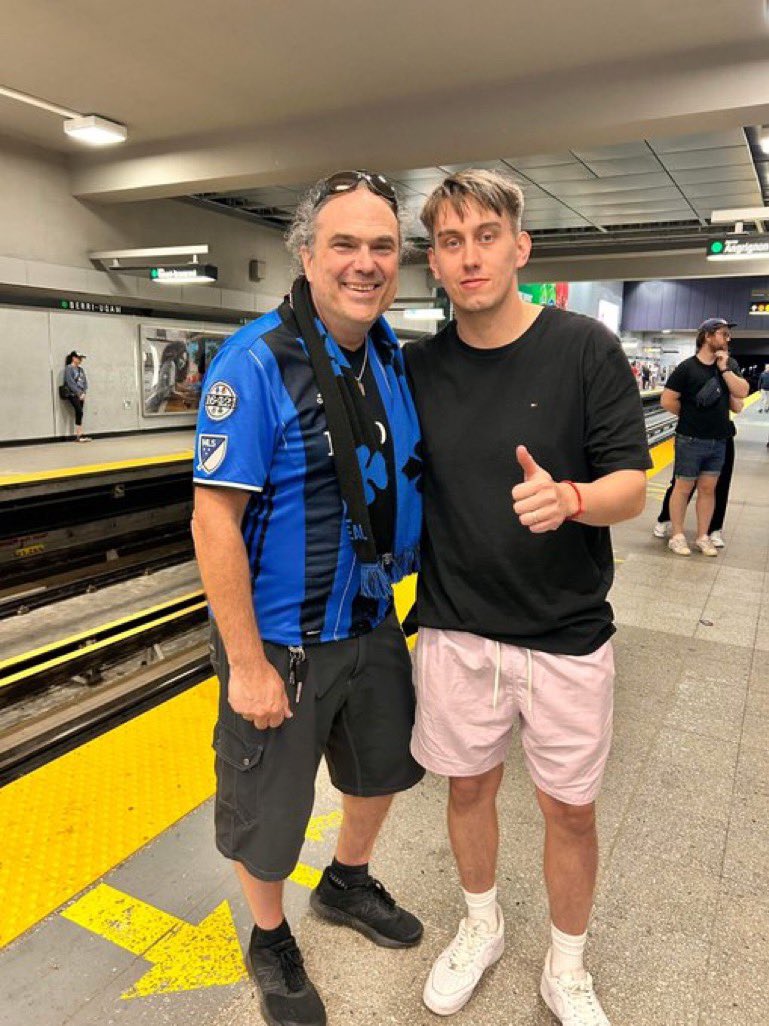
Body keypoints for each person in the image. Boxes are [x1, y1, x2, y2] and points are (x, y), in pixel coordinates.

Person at [404, 169, 650, 1025]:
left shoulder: (583, 348)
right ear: (432, 263)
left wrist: (571, 499)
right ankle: (481, 927)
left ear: (519, 246)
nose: (468, 256)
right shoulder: (416, 367)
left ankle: (567, 966)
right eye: (448, 241)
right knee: (466, 789)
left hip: (565, 631)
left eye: (483, 236)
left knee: (568, 808)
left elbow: (631, 484)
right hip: (456, 627)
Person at [191, 170, 424, 1026]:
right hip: (281, 643)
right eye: (345, 245)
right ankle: (267, 936)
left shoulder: (391, 355)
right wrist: (244, 664)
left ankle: (346, 884)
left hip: (370, 623)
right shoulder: (254, 362)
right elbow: (213, 521)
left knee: (380, 772)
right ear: (306, 254)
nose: (364, 264)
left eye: (381, 247)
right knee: (269, 810)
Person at [660, 319, 749, 556]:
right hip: (690, 439)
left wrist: (725, 369)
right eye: (724, 334)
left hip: (718, 440)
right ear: (708, 336)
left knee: (708, 489)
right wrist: (691, 417)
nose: (728, 339)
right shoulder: (687, 368)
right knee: (682, 488)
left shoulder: (729, 365)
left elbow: (742, 392)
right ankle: (677, 535)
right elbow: (667, 400)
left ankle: (702, 536)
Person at [63, 351, 90, 441]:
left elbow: (85, 382)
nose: (80, 360)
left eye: (81, 358)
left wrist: (84, 392)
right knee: (79, 411)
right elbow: (70, 382)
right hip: (73, 394)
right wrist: (79, 393)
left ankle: (80, 433)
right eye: (79, 358)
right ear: (73, 358)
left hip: (81, 394)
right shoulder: (68, 369)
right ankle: (79, 435)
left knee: (80, 412)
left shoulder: (81, 369)